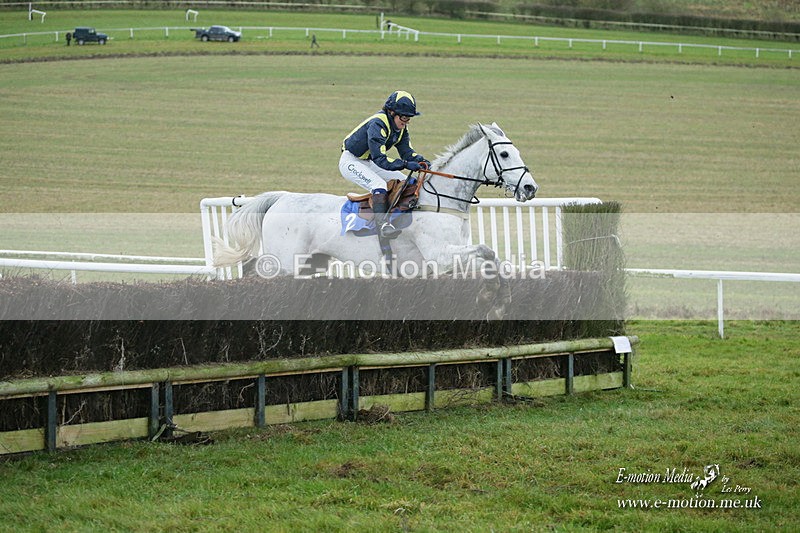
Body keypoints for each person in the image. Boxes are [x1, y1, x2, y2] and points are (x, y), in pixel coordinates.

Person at [340, 90, 430, 238]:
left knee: (407, 182)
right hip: (351, 161)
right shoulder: (378, 124)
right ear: (391, 112)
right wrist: (406, 164)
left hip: (369, 161)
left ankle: (401, 218)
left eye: (409, 118)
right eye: (404, 117)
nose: (406, 122)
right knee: (379, 186)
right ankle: (383, 225)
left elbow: (407, 152)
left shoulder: (401, 128)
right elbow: (381, 160)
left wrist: (422, 161)